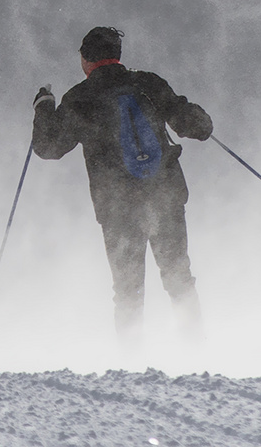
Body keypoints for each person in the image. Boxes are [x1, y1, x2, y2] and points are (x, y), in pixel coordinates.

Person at [31, 26, 213, 343]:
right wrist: (195, 119)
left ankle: (132, 367)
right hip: (165, 196)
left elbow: (48, 147)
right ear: (117, 55)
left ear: (86, 60)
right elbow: (197, 126)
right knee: (178, 277)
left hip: (118, 209)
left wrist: (44, 106)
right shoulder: (147, 84)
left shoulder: (80, 99)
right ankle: (195, 353)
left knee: (128, 290)